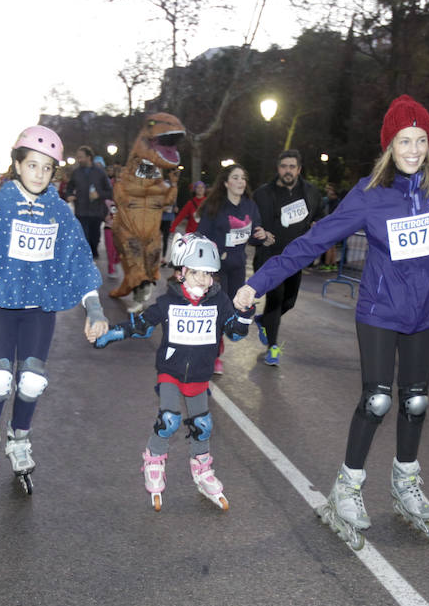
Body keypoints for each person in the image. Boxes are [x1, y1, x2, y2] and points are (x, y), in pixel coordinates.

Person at [233, 95, 429, 548]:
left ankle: (405, 482)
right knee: (377, 400)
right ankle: (347, 488)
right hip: (379, 311)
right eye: (404, 140)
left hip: (426, 312)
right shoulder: (370, 194)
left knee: (416, 402)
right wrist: (259, 282)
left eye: (421, 140)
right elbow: (311, 243)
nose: (413, 149)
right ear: (389, 145)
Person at [0, 125, 109, 500]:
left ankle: (19, 438)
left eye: (47, 168)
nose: (39, 174)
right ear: (18, 165)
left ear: (55, 172)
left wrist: (95, 309)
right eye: (32, 165)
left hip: (39, 310)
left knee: (33, 382)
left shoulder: (58, 212)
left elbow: (79, 261)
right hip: (0, 308)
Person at [93, 233, 255, 511]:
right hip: (170, 370)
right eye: (196, 273)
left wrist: (244, 313)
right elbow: (142, 325)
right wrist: (113, 332)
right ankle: (154, 460)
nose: (204, 280)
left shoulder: (219, 301)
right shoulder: (169, 303)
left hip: (200, 375)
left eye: (209, 274)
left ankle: (202, 471)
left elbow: (236, 334)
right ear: (181, 273)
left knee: (202, 425)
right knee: (169, 418)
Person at [197, 163, 273, 374]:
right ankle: (214, 354)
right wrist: (216, 252)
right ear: (226, 183)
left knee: (230, 310)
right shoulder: (215, 206)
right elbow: (201, 235)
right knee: (216, 310)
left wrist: (261, 236)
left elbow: (255, 235)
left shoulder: (250, 206)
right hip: (215, 269)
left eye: (243, 178)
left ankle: (215, 347)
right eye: (236, 177)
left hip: (238, 267)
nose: (241, 182)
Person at [251, 149, 324, 366]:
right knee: (275, 299)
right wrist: (261, 234)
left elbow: (319, 215)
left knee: (289, 302)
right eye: (284, 166)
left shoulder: (311, 192)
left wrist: (316, 224)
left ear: (299, 169)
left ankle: (264, 321)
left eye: (292, 167)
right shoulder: (263, 193)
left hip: (296, 258)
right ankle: (272, 347)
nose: (288, 171)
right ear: (278, 169)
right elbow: (252, 222)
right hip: (270, 257)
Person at [65, 145, 113, 258]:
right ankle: (87, 260)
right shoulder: (76, 173)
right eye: (78, 157)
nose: (79, 159)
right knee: (83, 238)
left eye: (81, 157)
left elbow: (110, 192)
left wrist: (99, 194)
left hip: (96, 212)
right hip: (81, 211)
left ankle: (94, 251)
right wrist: (69, 195)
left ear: (89, 157)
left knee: (94, 238)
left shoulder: (100, 173)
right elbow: (69, 188)